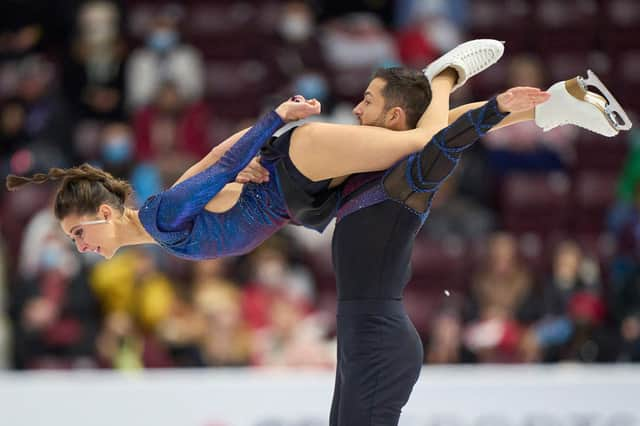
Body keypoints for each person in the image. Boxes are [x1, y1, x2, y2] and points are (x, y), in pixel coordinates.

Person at [293, 65, 630, 424]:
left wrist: (495, 110)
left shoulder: (407, 182)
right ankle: (452, 79)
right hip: (359, 340)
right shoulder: (362, 169)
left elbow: (445, 142)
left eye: (367, 100)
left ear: (393, 115)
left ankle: (449, 78)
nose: (356, 109)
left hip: (379, 342)